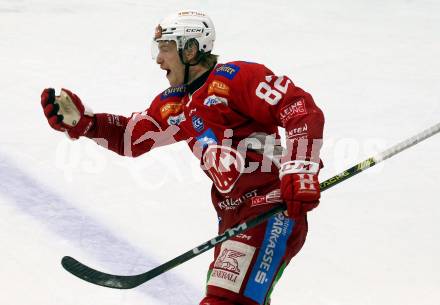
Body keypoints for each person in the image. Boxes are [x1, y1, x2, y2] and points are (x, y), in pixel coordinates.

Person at [40, 10, 324, 305]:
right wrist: (87, 124)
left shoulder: (237, 79)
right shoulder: (175, 103)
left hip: (271, 206)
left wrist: (300, 169)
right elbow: (132, 137)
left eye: (166, 49)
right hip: (232, 215)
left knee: (225, 302)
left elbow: (298, 108)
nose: (158, 59)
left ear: (190, 49)